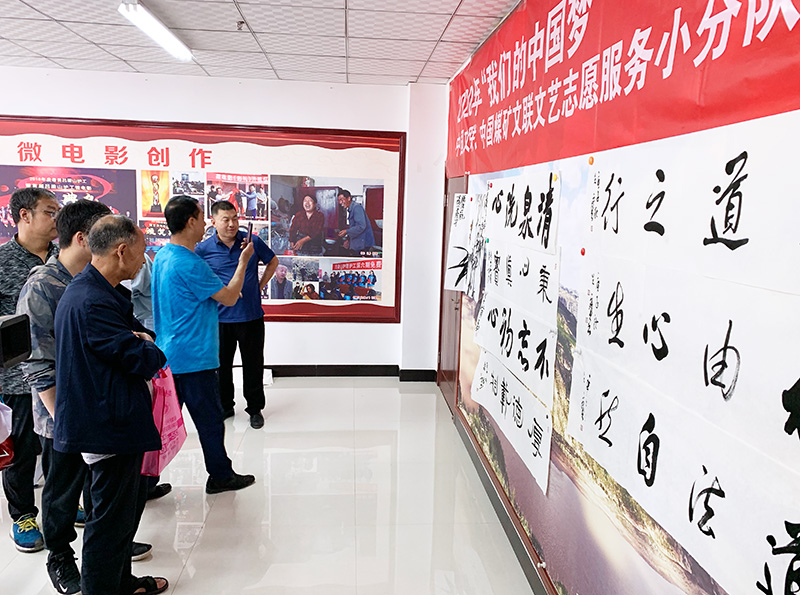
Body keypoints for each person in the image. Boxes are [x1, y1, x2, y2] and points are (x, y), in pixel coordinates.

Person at [53, 215, 169, 595]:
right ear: (121, 251)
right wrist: (147, 346)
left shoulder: (100, 291)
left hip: (112, 418)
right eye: (141, 252)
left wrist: (142, 340)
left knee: (120, 519)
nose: (143, 260)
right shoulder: (92, 301)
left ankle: (121, 583)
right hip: (106, 425)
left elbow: (139, 335)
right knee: (107, 524)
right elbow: (144, 356)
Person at [17, 200, 112, 593]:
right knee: (61, 491)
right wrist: (65, 420)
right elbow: (37, 364)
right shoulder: (42, 285)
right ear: (84, 238)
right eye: (106, 233)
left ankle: (103, 553)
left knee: (99, 485)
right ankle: (59, 556)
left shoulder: (95, 279)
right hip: (61, 413)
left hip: (97, 405)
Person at [152, 196, 256, 493]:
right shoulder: (190, 262)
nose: (207, 223)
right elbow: (230, 297)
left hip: (169, 353)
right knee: (210, 421)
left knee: (161, 424)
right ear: (190, 222)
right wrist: (243, 261)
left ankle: (144, 482)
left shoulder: (163, 256)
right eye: (202, 217)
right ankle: (221, 476)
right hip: (194, 357)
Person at [0, 187, 60, 553]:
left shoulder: (63, 257)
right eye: (49, 212)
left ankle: (63, 504)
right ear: (24, 215)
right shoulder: (3, 261)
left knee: (59, 445)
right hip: (17, 378)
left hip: (60, 371)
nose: (56, 218)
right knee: (22, 451)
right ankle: (23, 515)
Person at [196, 200, 278, 429]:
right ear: (213, 222)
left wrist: (259, 286)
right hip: (219, 318)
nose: (232, 224)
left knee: (253, 364)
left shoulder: (251, 242)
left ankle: (255, 409)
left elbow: (273, 261)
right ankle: (225, 406)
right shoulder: (203, 249)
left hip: (250, 316)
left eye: (235, 218)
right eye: (226, 219)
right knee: (221, 366)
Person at [337, 189, 375, 255]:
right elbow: (354, 226)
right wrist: (348, 239)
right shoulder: (352, 208)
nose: (340, 202)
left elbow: (361, 226)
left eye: (342, 199)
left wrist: (346, 231)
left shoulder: (357, 208)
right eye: (339, 200)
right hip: (359, 243)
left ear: (348, 198)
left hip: (363, 244)